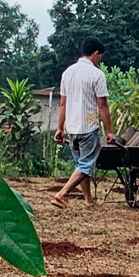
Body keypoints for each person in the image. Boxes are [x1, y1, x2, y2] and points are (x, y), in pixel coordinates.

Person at [52, 38, 115, 208]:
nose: (99, 60)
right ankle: (62, 194)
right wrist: (109, 132)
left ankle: (88, 201)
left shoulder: (67, 73)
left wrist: (60, 128)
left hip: (72, 128)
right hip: (88, 127)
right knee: (86, 166)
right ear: (96, 54)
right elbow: (102, 105)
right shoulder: (97, 74)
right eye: (100, 56)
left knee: (81, 166)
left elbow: (63, 103)